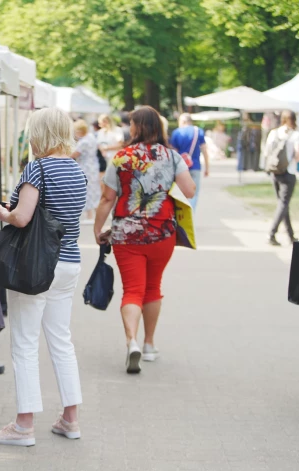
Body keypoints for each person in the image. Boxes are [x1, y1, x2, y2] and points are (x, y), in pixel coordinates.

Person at [0, 108, 87, 447]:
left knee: (25, 344)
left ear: (40, 133)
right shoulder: (77, 169)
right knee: (61, 341)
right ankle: (70, 419)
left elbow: (22, 217)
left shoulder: (38, 168)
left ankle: (23, 425)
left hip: (35, 265)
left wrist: (4, 212)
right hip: (69, 262)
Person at [94, 106, 195, 374]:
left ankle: (132, 342)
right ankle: (149, 345)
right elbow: (189, 189)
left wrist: (97, 228)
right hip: (162, 233)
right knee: (153, 287)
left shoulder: (121, 157)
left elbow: (107, 198)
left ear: (136, 127)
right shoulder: (172, 157)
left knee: (132, 290)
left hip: (127, 234)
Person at [265, 111, 299, 246]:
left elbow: (267, 152)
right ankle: (272, 233)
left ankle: (290, 235)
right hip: (289, 171)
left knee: (283, 204)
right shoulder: (296, 135)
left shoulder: (273, 133)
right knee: (283, 204)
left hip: (274, 171)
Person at [170, 113, 210, 210]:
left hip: (180, 168)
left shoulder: (176, 133)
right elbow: (204, 150)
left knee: (179, 193)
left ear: (183, 121)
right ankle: (191, 214)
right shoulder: (198, 131)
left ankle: (181, 215)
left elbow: (173, 152)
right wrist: (207, 167)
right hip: (195, 166)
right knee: (194, 193)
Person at [72, 119, 101, 221]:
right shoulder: (91, 137)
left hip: (85, 167)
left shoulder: (83, 142)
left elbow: (74, 154)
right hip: (93, 166)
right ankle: (97, 214)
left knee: (86, 190)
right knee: (94, 190)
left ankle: (89, 215)